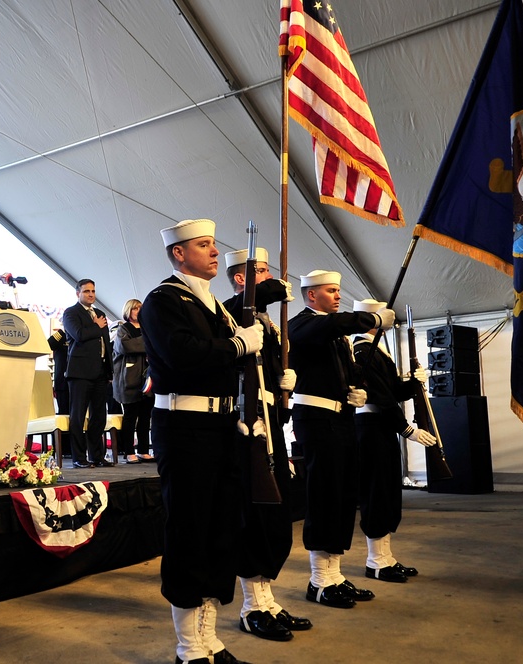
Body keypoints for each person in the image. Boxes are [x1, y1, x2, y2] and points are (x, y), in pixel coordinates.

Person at [139, 218, 263, 664]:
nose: (215, 252)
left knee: (220, 531)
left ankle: (209, 638)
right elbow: (184, 353)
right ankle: (189, 648)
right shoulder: (163, 300)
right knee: (190, 529)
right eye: (204, 245)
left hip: (222, 427)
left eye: (214, 243)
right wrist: (239, 346)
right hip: (184, 427)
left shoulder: (216, 305)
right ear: (178, 253)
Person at [287, 270, 393, 608]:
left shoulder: (337, 335)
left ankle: (334, 574)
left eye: (338, 290)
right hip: (315, 420)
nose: (336, 295)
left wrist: (354, 389)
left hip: (341, 418)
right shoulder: (303, 324)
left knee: (344, 496)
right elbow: (330, 326)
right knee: (324, 494)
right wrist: (371, 319)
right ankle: (319, 579)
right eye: (330, 291)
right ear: (310, 295)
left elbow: (341, 367)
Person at [221, 248, 312, 641]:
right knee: (254, 515)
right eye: (259, 271)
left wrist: (285, 384)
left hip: (273, 422)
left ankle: (267, 599)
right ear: (241, 279)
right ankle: (251, 606)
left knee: (275, 517)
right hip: (248, 426)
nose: (268, 275)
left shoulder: (267, 322)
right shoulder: (230, 313)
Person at [350, 299, 436, 582]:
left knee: (388, 491)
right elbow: (382, 397)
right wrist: (406, 429)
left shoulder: (378, 351)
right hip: (370, 425)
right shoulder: (362, 350)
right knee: (376, 492)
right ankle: (375, 561)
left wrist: (414, 382)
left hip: (381, 425)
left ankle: (386, 557)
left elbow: (394, 391)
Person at [62, 279, 113, 468]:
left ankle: (97, 456)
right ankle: (79, 458)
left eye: (93, 291)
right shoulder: (71, 313)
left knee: (99, 416)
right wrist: (96, 326)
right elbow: (79, 335)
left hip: (100, 371)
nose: (91, 294)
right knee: (78, 416)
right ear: (78, 294)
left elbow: (106, 344)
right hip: (80, 372)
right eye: (86, 291)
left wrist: (109, 370)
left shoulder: (99, 314)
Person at [111, 298, 154, 463]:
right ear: (129, 311)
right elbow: (125, 347)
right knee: (130, 416)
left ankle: (143, 450)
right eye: (135, 309)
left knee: (145, 417)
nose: (138, 312)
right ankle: (129, 451)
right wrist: (148, 343)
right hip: (129, 379)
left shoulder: (147, 328)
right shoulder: (123, 329)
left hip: (147, 380)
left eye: (140, 309)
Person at [47, 326, 71, 456]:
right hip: (62, 382)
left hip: (78, 381)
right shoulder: (60, 335)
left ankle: (74, 448)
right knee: (63, 414)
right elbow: (47, 345)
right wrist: (61, 332)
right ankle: (63, 448)